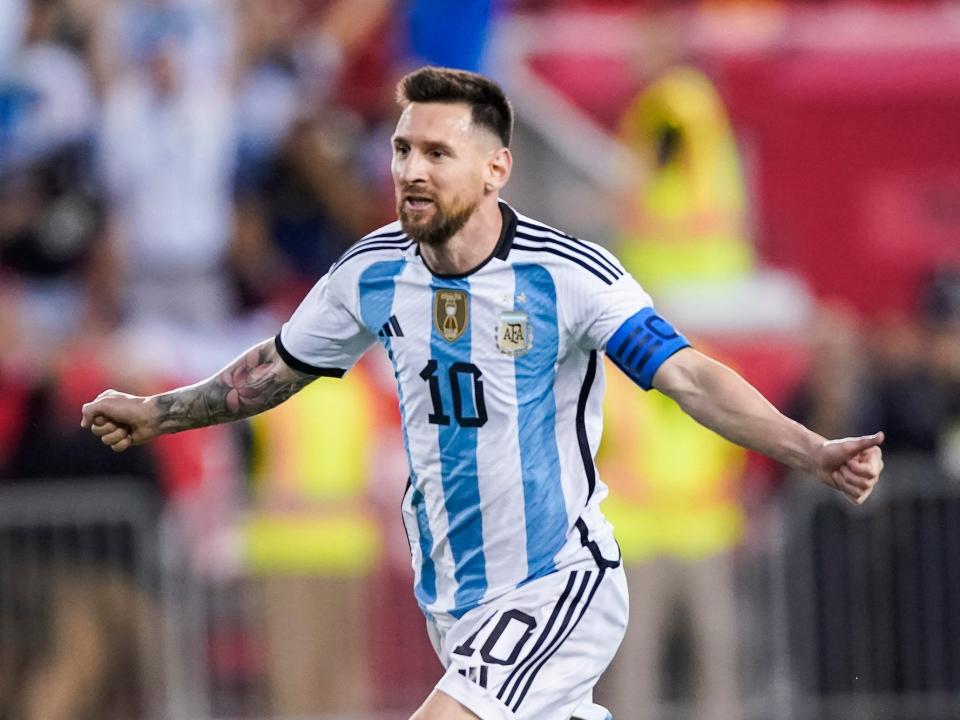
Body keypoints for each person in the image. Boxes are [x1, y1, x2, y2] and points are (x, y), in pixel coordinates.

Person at [81, 66, 885, 720]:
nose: (410, 171)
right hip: (458, 603)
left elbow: (689, 376)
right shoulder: (372, 272)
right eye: (401, 150)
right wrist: (160, 412)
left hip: (558, 582)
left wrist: (809, 448)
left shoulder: (568, 276)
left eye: (437, 152)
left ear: (497, 167)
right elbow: (272, 369)